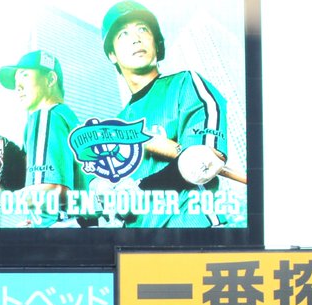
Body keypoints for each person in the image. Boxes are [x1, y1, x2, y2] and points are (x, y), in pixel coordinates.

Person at [96, 1, 231, 227]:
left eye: (143, 29)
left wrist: (140, 187)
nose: (135, 39)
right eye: (123, 34)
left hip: (195, 234)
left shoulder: (186, 84)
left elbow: (205, 161)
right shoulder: (116, 125)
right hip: (137, 248)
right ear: (112, 54)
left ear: (156, 43)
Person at [0, 50, 88, 226]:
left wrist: (4, 198)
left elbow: (53, 191)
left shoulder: (45, 115)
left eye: (24, 75)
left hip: (60, 239)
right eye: (16, 80)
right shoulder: (68, 118)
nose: (18, 86)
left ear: (51, 79)